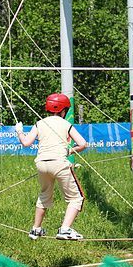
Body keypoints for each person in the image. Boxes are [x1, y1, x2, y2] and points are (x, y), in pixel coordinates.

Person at [16, 93, 87, 240]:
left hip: (41, 164)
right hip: (59, 163)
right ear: (63, 110)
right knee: (76, 198)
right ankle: (65, 229)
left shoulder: (39, 123)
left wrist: (19, 131)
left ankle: (36, 229)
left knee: (44, 195)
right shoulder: (66, 124)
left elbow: (26, 143)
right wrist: (68, 151)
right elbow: (83, 144)